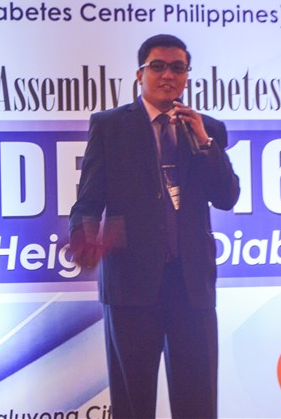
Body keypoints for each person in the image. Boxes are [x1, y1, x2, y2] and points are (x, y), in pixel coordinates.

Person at [68, 34, 240, 418]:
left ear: (187, 76)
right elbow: (88, 201)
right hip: (131, 284)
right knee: (133, 405)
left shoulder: (207, 129)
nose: (168, 75)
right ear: (140, 74)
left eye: (178, 68)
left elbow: (227, 197)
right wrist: (85, 237)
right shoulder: (111, 126)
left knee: (198, 403)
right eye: (157, 66)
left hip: (191, 283)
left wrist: (204, 142)